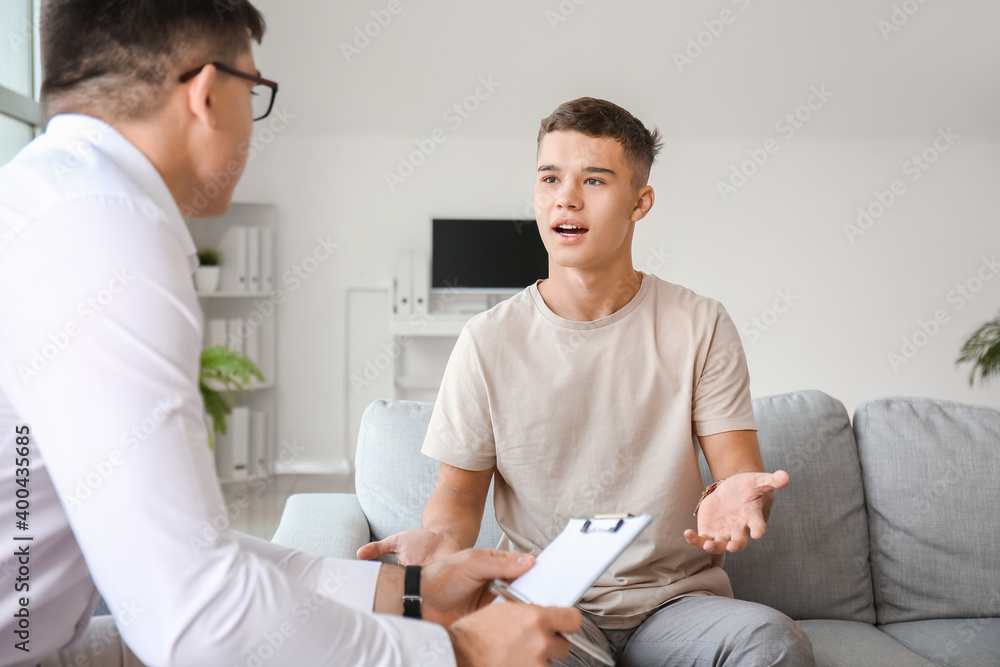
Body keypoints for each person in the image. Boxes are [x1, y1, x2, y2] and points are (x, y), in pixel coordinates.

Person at [0, 2, 580, 666]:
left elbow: (174, 549)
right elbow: (197, 616)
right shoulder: (106, 234)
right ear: (206, 93)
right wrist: (456, 651)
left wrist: (411, 591)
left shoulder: (52, 198)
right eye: (255, 91)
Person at [360, 97, 816, 666]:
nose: (565, 197)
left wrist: (738, 498)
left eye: (594, 180)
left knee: (773, 641)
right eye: (550, 177)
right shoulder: (487, 340)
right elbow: (457, 494)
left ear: (639, 202)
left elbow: (737, 478)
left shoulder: (700, 323)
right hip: (543, 596)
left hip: (676, 605)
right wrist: (441, 548)